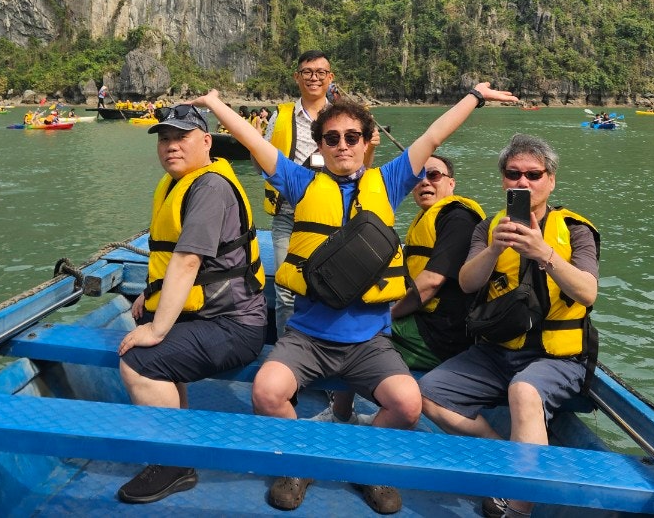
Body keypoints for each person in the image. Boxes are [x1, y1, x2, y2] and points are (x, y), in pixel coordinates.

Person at [195, 82, 520, 514]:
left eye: (352, 137)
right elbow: (254, 142)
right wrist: (215, 104)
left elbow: (433, 136)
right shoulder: (301, 183)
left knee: (407, 404)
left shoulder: (388, 182)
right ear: (321, 146)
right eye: (332, 138)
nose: (343, 145)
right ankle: (301, 463)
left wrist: (474, 97)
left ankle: (365, 465)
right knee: (267, 392)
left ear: (368, 143)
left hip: (369, 341)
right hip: (308, 337)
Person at [419, 134, 599, 518]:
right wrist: (494, 250)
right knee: (427, 394)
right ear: (503, 180)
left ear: (551, 180)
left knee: (524, 391)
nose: (523, 182)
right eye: (513, 174)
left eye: (533, 174)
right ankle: (507, 453)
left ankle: (517, 508)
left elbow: (587, 293)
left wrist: (544, 253)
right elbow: (468, 283)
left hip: (556, 356)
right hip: (496, 352)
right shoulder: (489, 229)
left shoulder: (575, 229)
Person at [115, 104, 267, 505]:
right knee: (155, 344)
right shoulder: (179, 183)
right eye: (164, 139)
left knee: (139, 363)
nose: (171, 146)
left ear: (206, 142)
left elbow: (186, 261)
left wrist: (156, 328)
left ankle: (174, 463)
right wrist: (149, 297)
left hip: (234, 323)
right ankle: (179, 445)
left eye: (181, 137)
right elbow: (170, 260)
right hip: (205, 314)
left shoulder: (209, 188)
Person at [319, 153, 486, 424]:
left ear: (451, 183)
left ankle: (343, 416)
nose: (425, 182)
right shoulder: (429, 219)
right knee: (354, 319)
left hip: (441, 335)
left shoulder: (457, 219)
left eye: (434, 175)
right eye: (418, 177)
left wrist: (389, 314)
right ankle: (347, 409)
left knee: (353, 335)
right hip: (424, 322)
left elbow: (431, 282)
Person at [261, 50, 341, 337]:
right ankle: (288, 351)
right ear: (297, 77)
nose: (313, 78)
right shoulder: (280, 116)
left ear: (330, 78)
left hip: (331, 217)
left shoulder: (341, 118)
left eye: (320, 72)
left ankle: (324, 347)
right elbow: (264, 160)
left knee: (330, 286)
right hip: (288, 217)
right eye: (307, 72)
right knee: (286, 291)